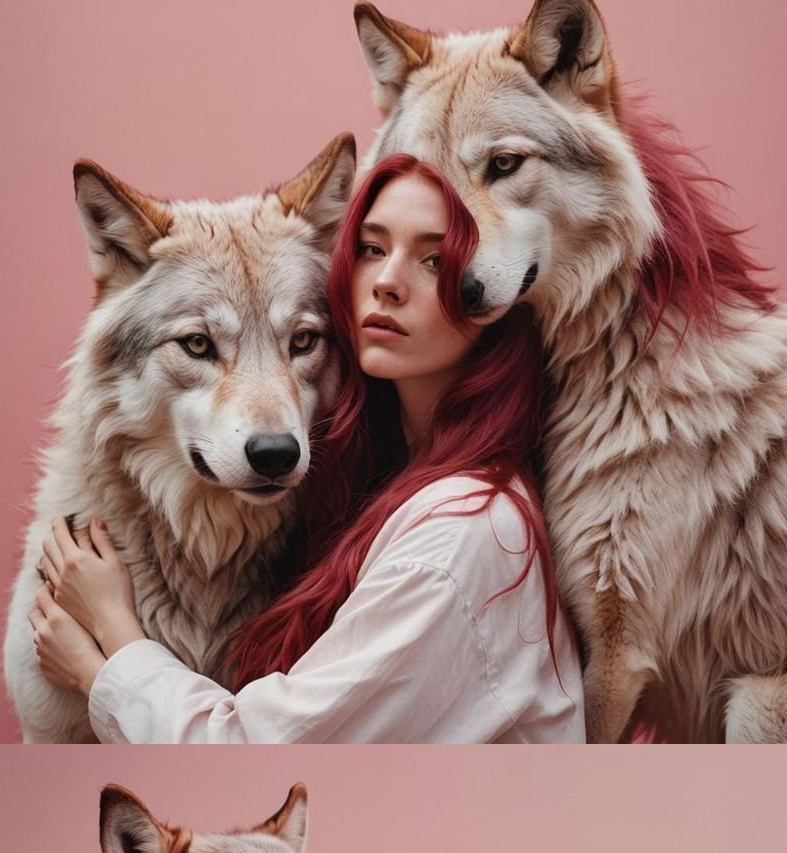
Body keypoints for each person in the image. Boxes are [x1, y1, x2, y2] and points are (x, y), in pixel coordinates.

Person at [29, 155, 584, 743]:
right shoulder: (366, 483)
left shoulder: (464, 535)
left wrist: (107, 652)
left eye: (435, 259)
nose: (388, 282)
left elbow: (262, 749)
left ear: (491, 293)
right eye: (371, 248)